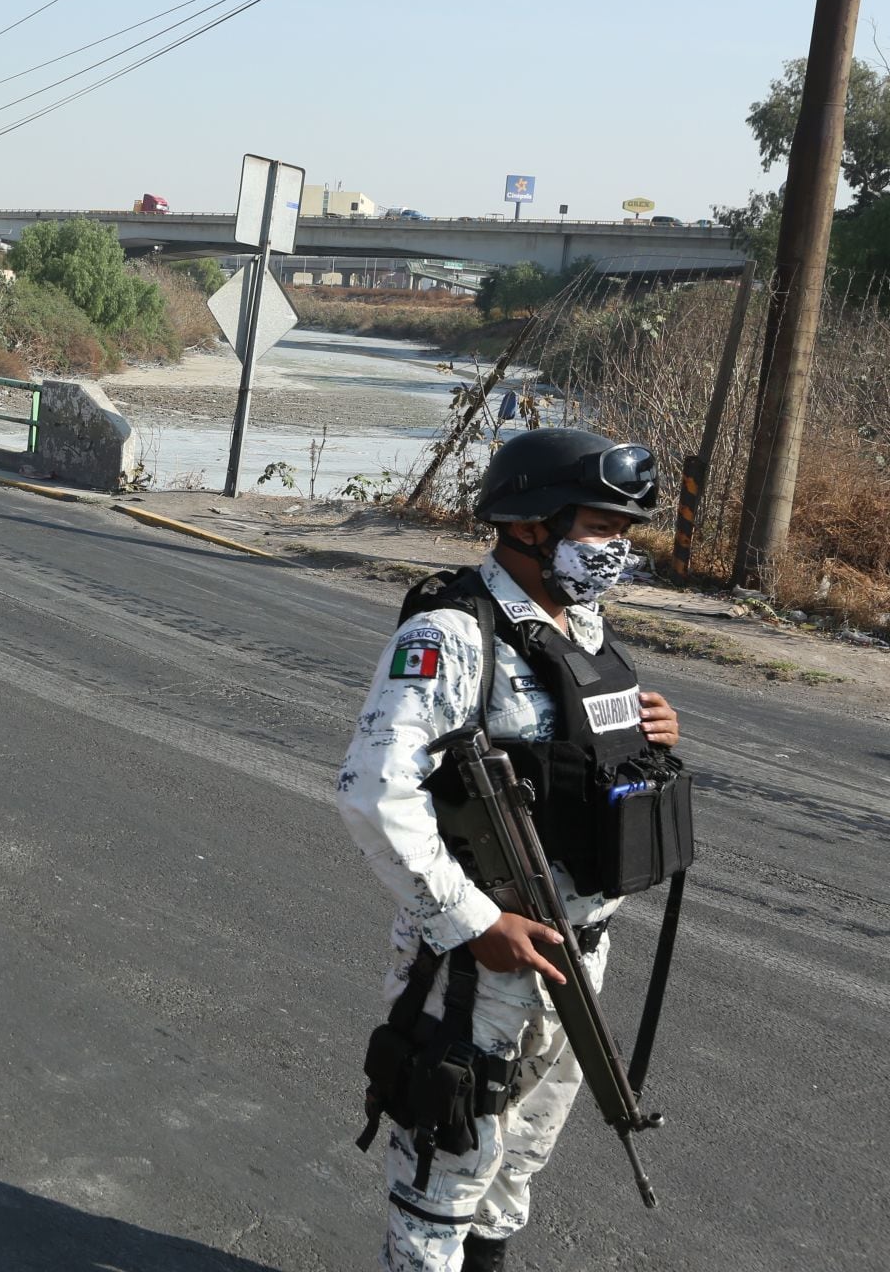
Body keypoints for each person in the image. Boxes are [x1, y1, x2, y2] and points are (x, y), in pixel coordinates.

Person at [336, 429, 685, 1272]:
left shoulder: (583, 628)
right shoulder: (456, 633)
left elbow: (580, 764)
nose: (617, 551)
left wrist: (655, 737)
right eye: (601, 530)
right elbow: (373, 790)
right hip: (481, 963)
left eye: (622, 533)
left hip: (576, 953)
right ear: (530, 524)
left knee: (515, 1162)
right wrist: (473, 922)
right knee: (445, 1164)